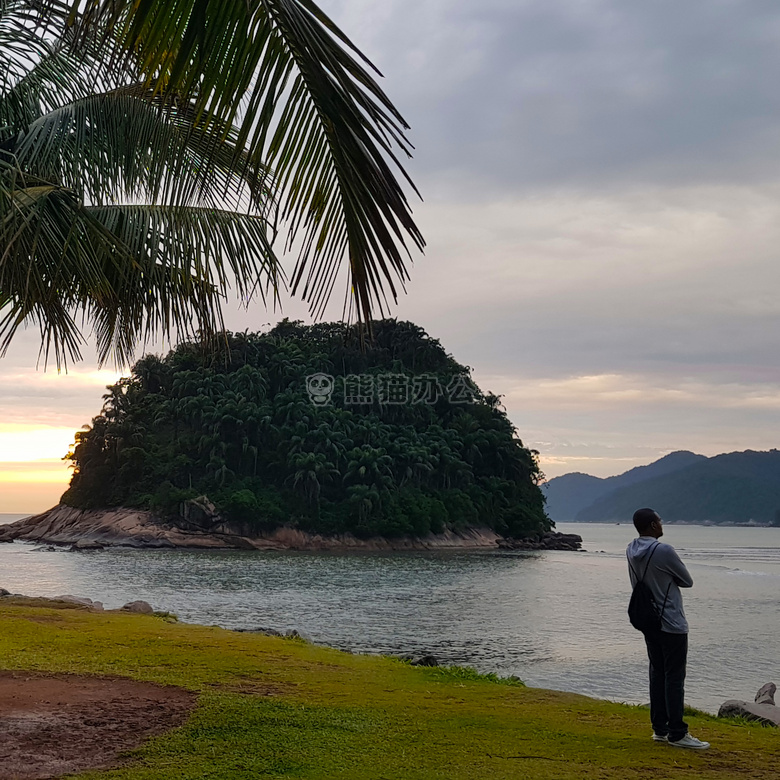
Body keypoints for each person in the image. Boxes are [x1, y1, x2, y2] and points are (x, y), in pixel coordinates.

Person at [626, 508, 710, 750]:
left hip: (648, 620)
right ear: (653, 525)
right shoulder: (664, 550)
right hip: (671, 621)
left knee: (657, 673)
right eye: (660, 521)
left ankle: (659, 729)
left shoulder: (631, 549)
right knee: (674, 677)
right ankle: (678, 732)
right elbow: (687, 580)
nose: (662, 524)